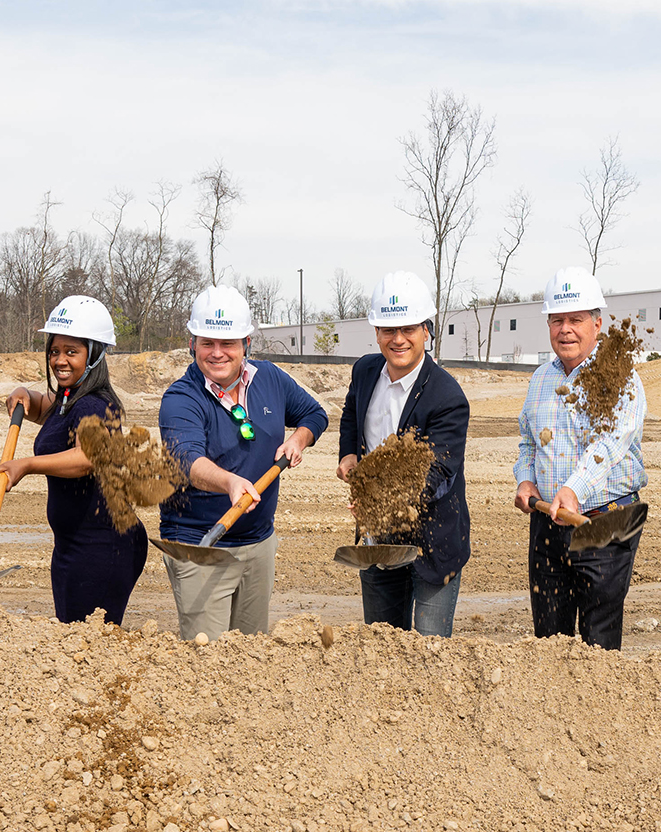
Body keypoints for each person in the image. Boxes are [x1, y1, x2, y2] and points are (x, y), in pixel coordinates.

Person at [156, 284, 326, 640]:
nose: (217, 353)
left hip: (258, 542)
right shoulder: (180, 398)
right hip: (201, 546)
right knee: (208, 658)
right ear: (193, 345)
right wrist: (231, 483)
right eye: (207, 343)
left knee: (252, 655)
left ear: (246, 344)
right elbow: (187, 461)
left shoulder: (270, 379)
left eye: (228, 343)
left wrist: (299, 438)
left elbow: (314, 413)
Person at [512, 266, 648, 650]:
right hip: (547, 524)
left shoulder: (620, 376)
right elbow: (527, 441)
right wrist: (526, 480)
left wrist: (573, 489)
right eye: (557, 320)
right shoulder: (540, 379)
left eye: (576, 319)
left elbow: (613, 442)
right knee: (550, 639)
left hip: (602, 522)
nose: (565, 329)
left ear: (597, 323)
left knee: (597, 644)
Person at [0, 296, 148, 625]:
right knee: (75, 637)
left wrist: (26, 464)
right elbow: (43, 408)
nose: (59, 360)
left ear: (94, 354)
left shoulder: (93, 404)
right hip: (75, 543)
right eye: (54, 350)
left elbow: (85, 459)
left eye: (71, 352)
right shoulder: (70, 397)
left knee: (88, 643)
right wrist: (24, 394)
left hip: (102, 545)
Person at [336, 272, 471, 635]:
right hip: (378, 540)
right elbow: (351, 411)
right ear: (377, 332)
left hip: (434, 543)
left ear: (426, 331)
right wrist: (348, 453)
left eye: (408, 329)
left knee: (429, 650)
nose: (398, 339)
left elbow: (439, 473)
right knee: (383, 643)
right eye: (387, 330)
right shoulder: (365, 371)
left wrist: (380, 501)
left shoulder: (447, 397)